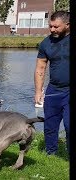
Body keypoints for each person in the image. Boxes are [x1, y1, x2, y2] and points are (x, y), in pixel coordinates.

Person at [34, 11, 70, 156]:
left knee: (69, 125)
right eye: (50, 26)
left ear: (67, 25)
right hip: (53, 90)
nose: (52, 30)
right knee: (50, 125)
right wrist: (38, 91)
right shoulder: (46, 43)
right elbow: (40, 68)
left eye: (56, 27)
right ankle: (51, 153)